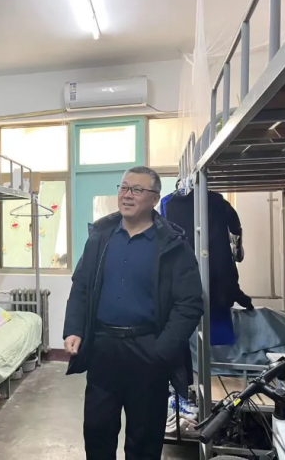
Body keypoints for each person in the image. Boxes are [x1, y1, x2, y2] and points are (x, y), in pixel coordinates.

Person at [63, 166, 204, 460]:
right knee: (97, 431)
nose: (127, 195)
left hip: (148, 351)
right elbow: (82, 286)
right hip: (103, 348)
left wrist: (162, 350)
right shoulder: (101, 237)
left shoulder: (172, 244)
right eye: (124, 188)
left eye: (137, 190)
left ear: (155, 199)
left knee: (144, 438)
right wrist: (74, 329)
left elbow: (189, 303)